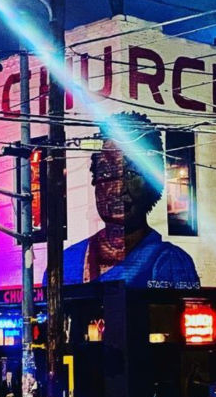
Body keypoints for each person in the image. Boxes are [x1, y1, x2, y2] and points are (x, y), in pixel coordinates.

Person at [61, 112, 200, 289]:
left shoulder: (169, 262)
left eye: (131, 173)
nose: (118, 189)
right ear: (94, 181)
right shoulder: (67, 262)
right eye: (105, 173)